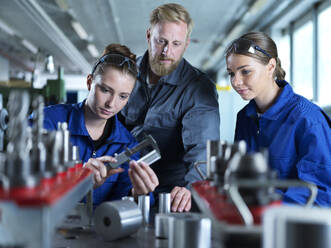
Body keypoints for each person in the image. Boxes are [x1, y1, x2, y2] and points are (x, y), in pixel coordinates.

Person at [120, 3, 220, 212]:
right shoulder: (124, 74)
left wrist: (192, 188)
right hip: (122, 186)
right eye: (161, 41)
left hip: (171, 196)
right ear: (149, 36)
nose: (167, 51)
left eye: (176, 43)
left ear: (186, 44)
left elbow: (203, 149)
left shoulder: (198, 89)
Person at [41, 44, 159, 206]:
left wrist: (139, 193)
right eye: (105, 90)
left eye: (123, 96)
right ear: (89, 82)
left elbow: (124, 199)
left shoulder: (127, 144)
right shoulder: (48, 121)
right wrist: (75, 181)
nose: (111, 103)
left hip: (101, 229)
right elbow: (19, 183)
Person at [225, 31, 331, 206]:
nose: (236, 82)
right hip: (253, 220)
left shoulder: (307, 119)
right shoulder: (244, 118)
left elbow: (322, 193)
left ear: (270, 67)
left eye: (245, 72)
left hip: (294, 225)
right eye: (231, 73)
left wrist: (269, 205)